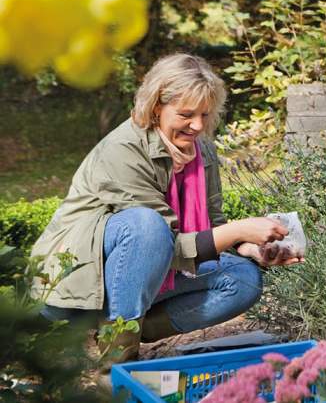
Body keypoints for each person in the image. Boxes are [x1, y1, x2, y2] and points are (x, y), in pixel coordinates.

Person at [32, 53, 301, 364]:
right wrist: (239, 229)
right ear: (157, 106)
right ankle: (116, 366)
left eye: (205, 114)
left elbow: (213, 224)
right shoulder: (124, 150)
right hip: (81, 282)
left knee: (244, 279)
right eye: (187, 114)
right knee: (146, 226)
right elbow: (164, 245)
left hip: (139, 280)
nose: (198, 125)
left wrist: (251, 248)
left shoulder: (203, 151)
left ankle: (119, 328)